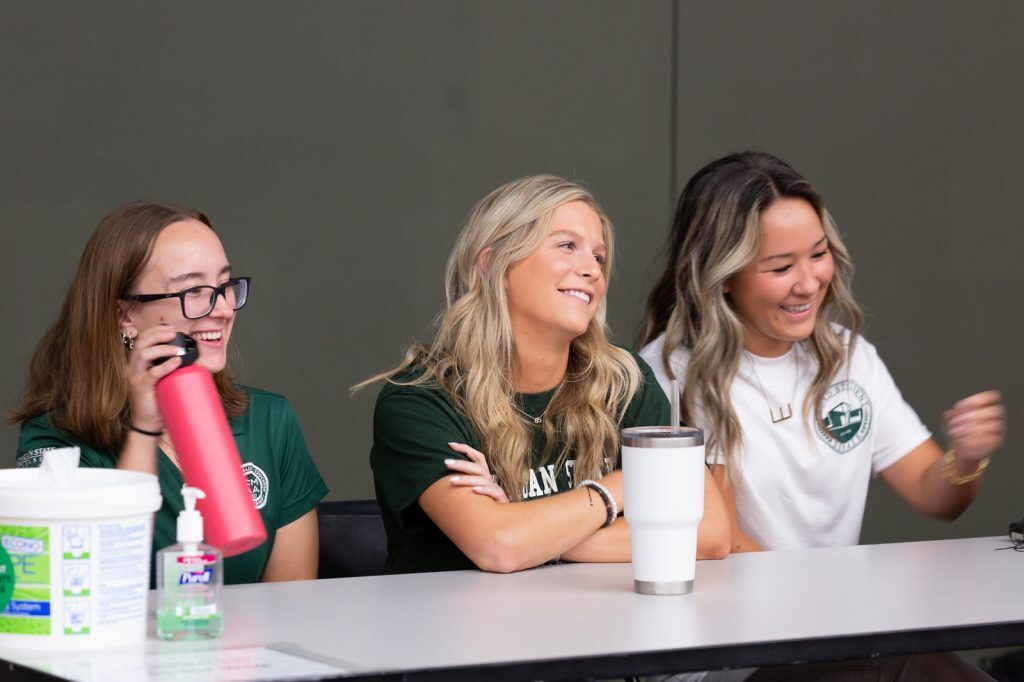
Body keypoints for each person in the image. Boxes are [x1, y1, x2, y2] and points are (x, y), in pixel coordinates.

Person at [639, 151, 1002, 681]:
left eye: (818, 254)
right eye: (781, 267)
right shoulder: (669, 377)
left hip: (826, 637)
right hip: (727, 657)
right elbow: (724, 547)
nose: (809, 282)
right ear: (721, 276)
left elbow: (936, 494)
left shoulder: (847, 356)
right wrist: (852, 605)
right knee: (902, 664)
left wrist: (967, 457)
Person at [360, 174, 730, 574]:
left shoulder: (624, 381)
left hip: (600, 628)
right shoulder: (422, 400)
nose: (591, 269)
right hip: (464, 633)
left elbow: (710, 533)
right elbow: (500, 547)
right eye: (568, 246)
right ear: (494, 265)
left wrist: (532, 530)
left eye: (599, 257)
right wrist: (623, 487)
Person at [12, 202, 328, 584]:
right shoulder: (56, 441)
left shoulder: (269, 420)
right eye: (193, 290)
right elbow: (97, 583)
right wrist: (144, 430)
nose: (224, 308)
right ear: (124, 316)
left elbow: (293, 605)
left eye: (225, 286)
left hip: (248, 644)